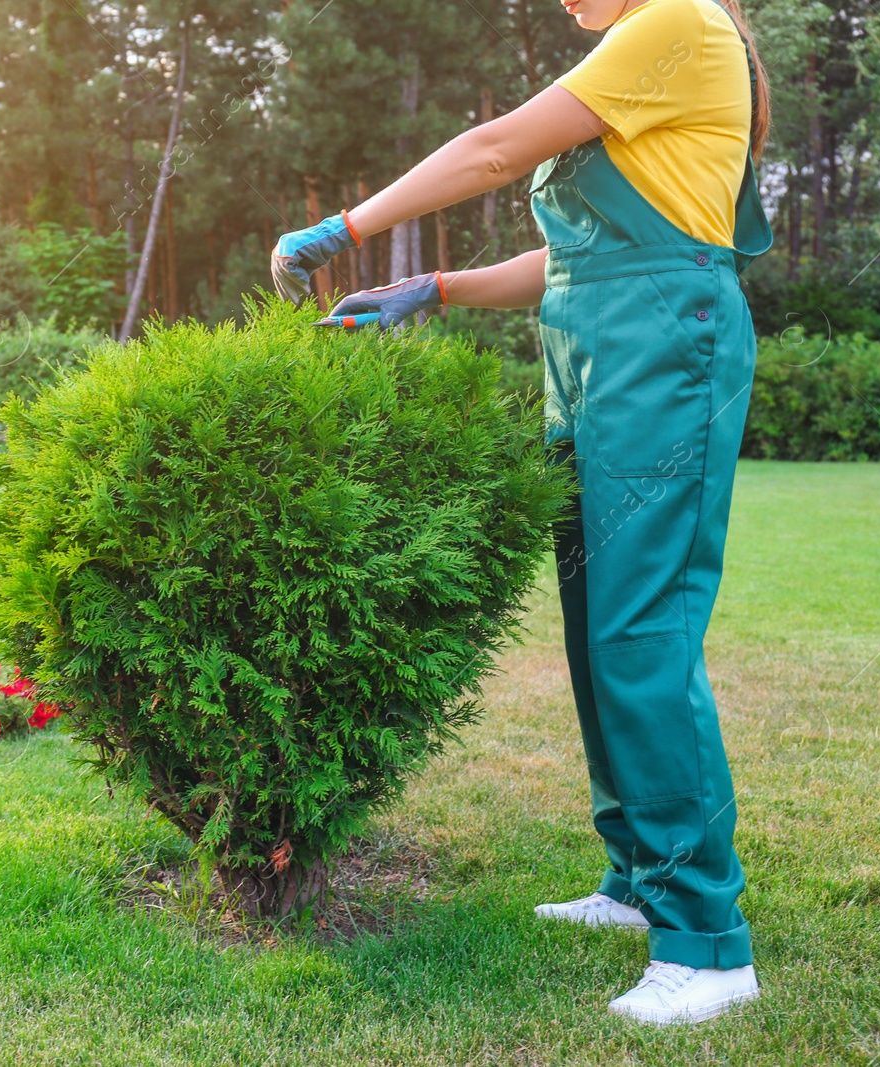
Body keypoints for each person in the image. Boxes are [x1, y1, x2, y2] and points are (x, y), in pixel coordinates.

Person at [270, 0, 774, 1027]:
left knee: (642, 631)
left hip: (664, 356)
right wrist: (436, 286)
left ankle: (708, 943)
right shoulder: (638, 60)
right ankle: (637, 877)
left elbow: (497, 146)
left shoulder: (679, 21)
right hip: (598, 359)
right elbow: (576, 262)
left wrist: (346, 229)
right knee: (598, 631)